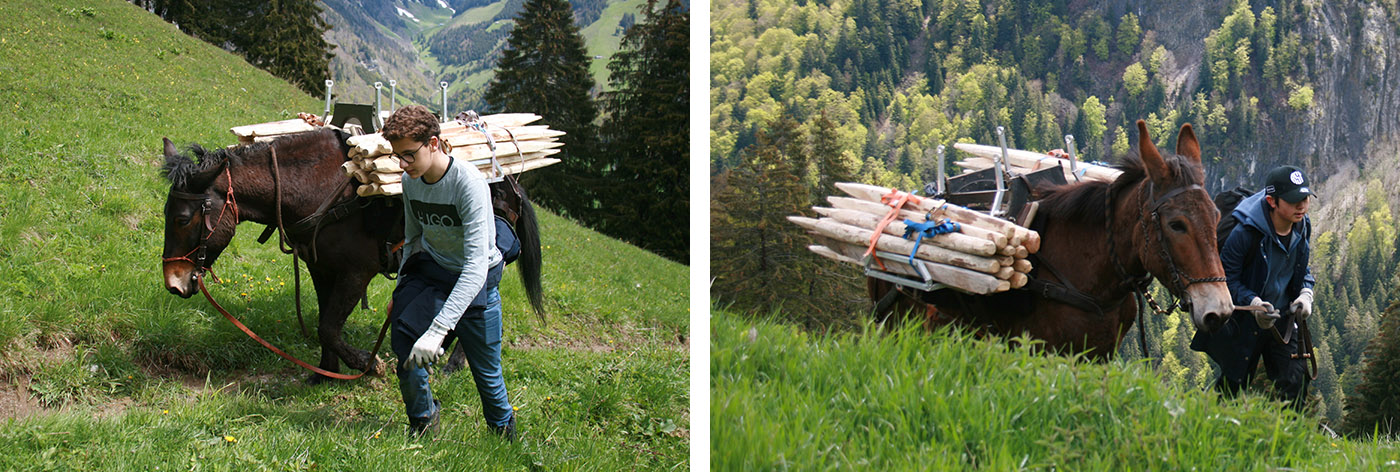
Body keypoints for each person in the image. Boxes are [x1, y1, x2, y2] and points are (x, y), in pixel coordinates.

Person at [381, 105, 516, 439]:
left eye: (409, 155)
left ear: (434, 144)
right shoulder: (410, 182)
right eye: (398, 156)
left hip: (479, 280)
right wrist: (400, 295)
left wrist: (438, 330)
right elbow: (413, 241)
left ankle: (503, 438)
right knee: (407, 347)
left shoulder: (467, 184)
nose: (402, 164)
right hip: (436, 274)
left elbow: (475, 268)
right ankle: (423, 422)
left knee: (488, 377)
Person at [1192, 165, 1317, 410]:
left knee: (1295, 378)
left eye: (1305, 198)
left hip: (1281, 319)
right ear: (1272, 201)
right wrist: (1254, 304)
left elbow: (1301, 268)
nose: (1301, 205)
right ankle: (1216, 431)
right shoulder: (1245, 233)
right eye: (1294, 200)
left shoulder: (1302, 227)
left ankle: (1288, 439)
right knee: (1234, 384)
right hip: (1245, 322)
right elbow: (1226, 279)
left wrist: (1305, 293)